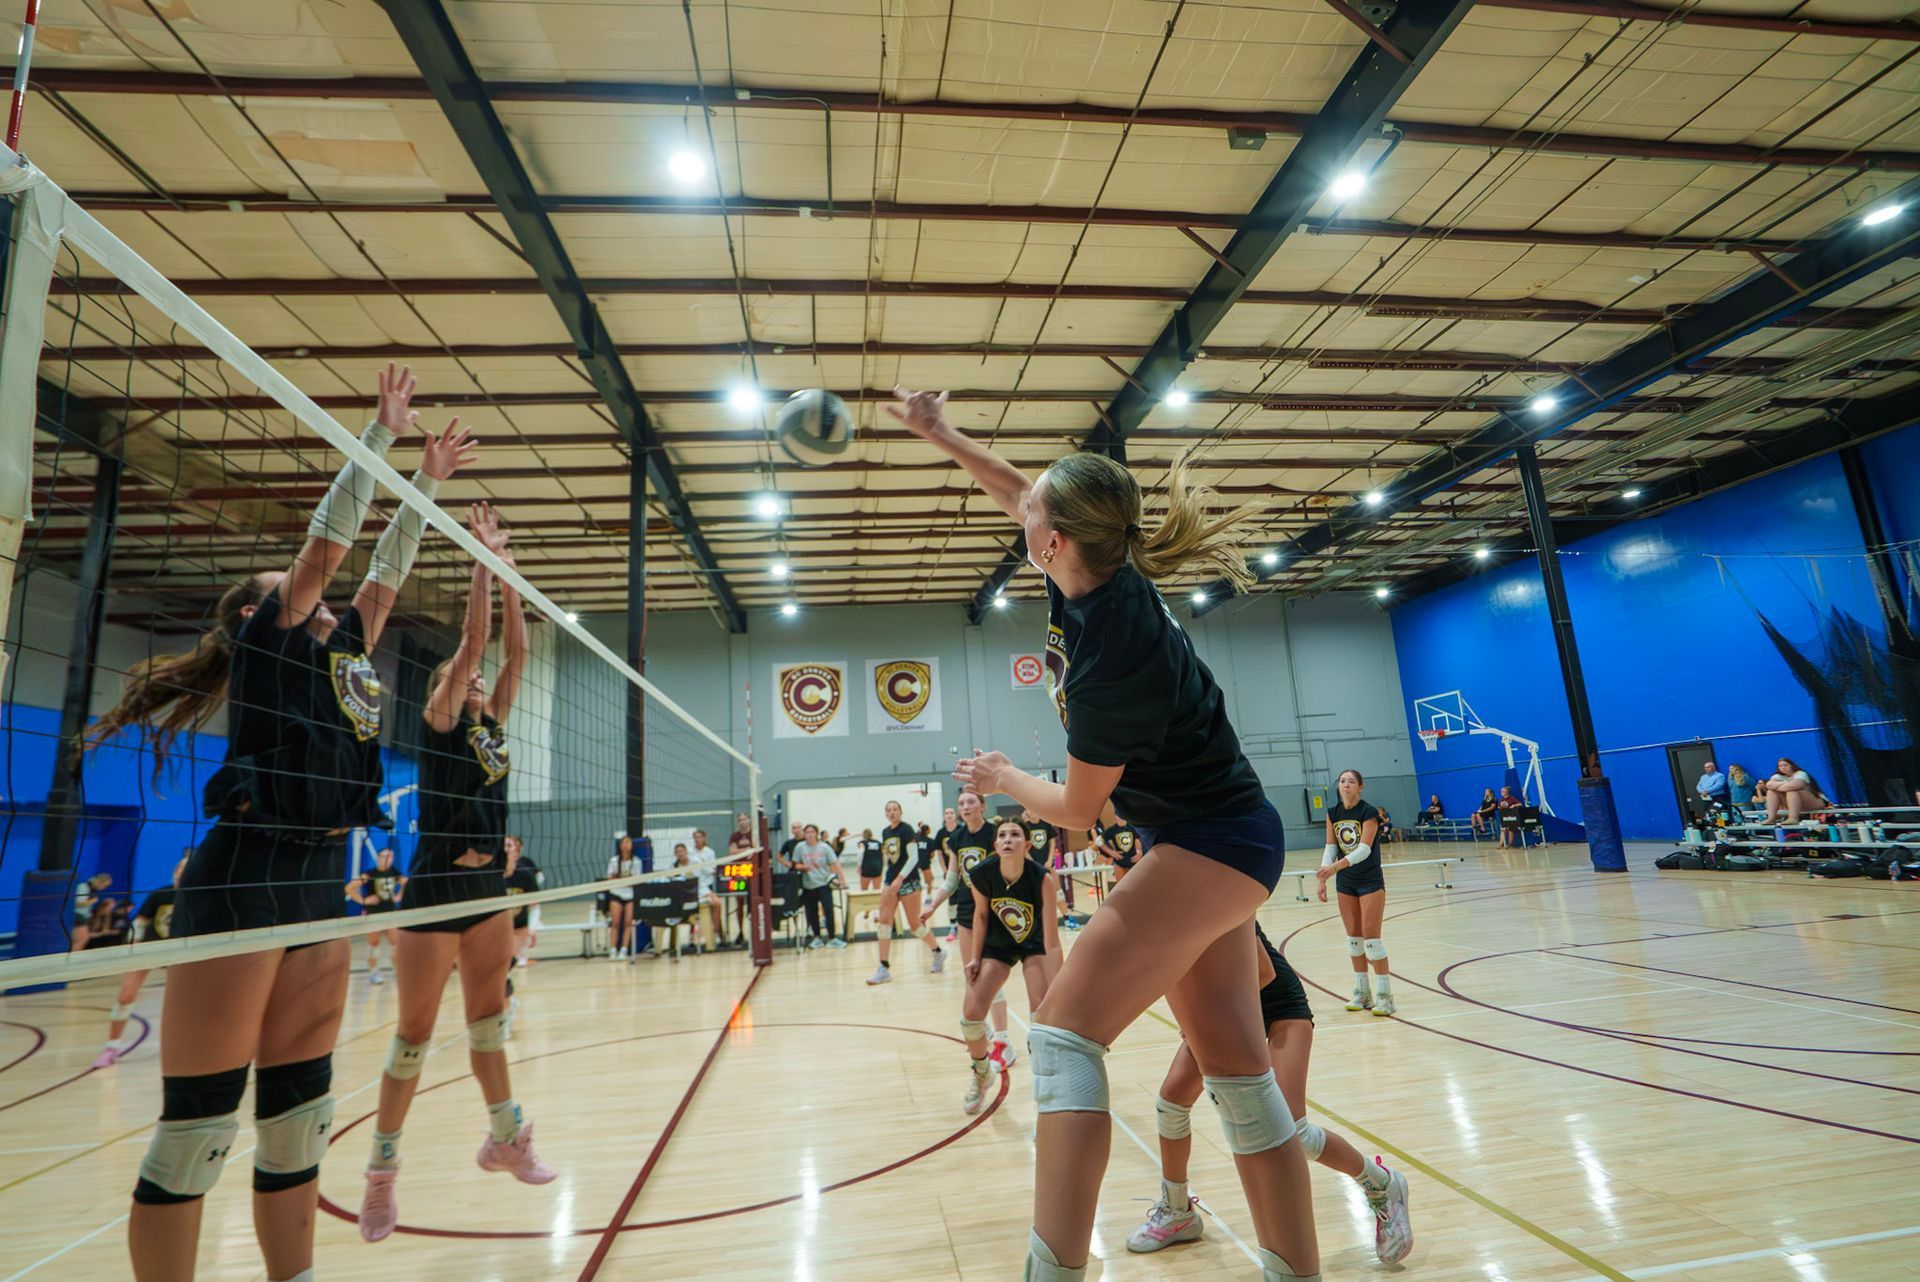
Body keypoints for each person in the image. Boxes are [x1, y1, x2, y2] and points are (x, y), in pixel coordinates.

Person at [890, 386, 1318, 1282]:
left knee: (1062, 1038)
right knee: (1239, 1077)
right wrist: (941, 433)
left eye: (1033, 510)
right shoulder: (1092, 567)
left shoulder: (1107, 656)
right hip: (1221, 837)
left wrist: (1006, 779)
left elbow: (1081, 817)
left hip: (1210, 842)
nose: (1021, 509)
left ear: (1054, 543)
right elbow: (1019, 491)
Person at [82, 364, 472, 1282]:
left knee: (300, 1121)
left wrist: (426, 485)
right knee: (197, 1137)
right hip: (246, 876)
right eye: (300, 593)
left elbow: (380, 576)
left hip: (319, 880)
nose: (329, 605)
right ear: (260, 614)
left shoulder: (341, 658)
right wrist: (376, 439)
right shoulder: (268, 644)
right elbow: (330, 552)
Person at [358, 500, 551, 1244]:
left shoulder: (493, 725)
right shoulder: (441, 723)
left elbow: (516, 654)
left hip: (486, 892)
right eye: (464, 679)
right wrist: (480, 556)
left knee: (488, 1028)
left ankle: (506, 1138)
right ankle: (382, 1173)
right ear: (445, 686)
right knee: (411, 1038)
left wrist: (509, 575)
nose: (476, 684)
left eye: (476, 682)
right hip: (433, 888)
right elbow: (473, 644)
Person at [1127, 922, 1412, 1264]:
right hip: (1226, 1007)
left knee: (1293, 1133)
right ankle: (1177, 1210)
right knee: (1171, 1103)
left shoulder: (1218, 891)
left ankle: (1380, 1183)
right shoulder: (1158, 896)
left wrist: (1210, 1022)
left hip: (1276, 1006)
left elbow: (1261, 973)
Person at [959, 817, 1062, 1113]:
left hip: (1034, 944)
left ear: (1027, 844)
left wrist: (1059, 980)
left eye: (1015, 835)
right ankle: (982, 1073)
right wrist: (975, 957)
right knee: (970, 1016)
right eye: (1002, 835)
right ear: (995, 845)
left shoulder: (1042, 877)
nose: (1007, 839)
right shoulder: (981, 873)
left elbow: (1052, 940)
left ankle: (1047, 1099)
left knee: (1041, 1017)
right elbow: (980, 916)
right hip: (997, 944)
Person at [921, 790, 1014, 1069]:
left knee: (990, 978)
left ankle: (1004, 1042)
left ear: (983, 806)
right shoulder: (957, 839)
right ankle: (982, 1029)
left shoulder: (995, 833)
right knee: (971, 975)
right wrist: (933, 906)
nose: (965, 806)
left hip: (992, 910)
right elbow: (951, 879)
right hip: (965, 911)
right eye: (961, 803)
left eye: (971, 801)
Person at [93, 856, 189, 1069]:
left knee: (185, 1003)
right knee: (125, 995)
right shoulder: (161, 894)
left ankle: (187, 1047)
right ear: (174, 872)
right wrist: (134, 947)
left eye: (188, 868)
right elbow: (140, 922)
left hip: (181, 954)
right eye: (180, 868)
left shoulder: (199, 897)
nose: (183, 872)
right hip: (150, 949)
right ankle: (112, 1048)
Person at [1315, 769, 1394, 1017]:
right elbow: (1331, 846)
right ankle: (1362, 992)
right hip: (1345, 882)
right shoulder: (1333, 813)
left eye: (1351, 781)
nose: (1346, 785)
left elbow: (1363, 850)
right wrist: (1323, 875)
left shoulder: (1368, 812)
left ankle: (1385, 997)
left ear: (1360, 786)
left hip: (1369, 880)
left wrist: (1335, 867)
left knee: (1372, 940)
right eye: (1342, 781)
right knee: (1354, 940)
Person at [866, 800, 946, 984]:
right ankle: (883, 967)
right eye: (889, 810)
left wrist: (899, 878)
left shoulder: (906, 830)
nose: (892, 812)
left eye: (895, 809)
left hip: (908, 882)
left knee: (915, 926)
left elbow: (914, 857)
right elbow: (892, 858)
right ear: (885, 814)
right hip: (890, 882)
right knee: (884, 923)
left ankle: (938, 952)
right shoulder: (885, 832)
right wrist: (890, 879)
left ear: (900, 812)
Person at [347, 846, 406, 984]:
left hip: (390, 912)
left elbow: (406, 882)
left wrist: (399, 896)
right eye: (384, 857)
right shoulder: (370, 874)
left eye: (390, 856)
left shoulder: (394, 872)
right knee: (374, 942)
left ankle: (398, 971)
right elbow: (349, 888)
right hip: (374, 913)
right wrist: (364, 900)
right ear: (378, 858)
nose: (387, 859)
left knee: (395, 941)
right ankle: (374, 972)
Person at [793, 823, 849, 948]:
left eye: (812, 831)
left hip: (824, 884)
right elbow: (795, 865)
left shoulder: (824, 847)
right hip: (808, 885)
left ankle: (832, 938)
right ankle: (816, 937)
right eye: (807, 832)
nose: (810, 834)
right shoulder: (800, 847)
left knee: (829, 910)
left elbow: (835, 863)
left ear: (816, 834)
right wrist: (804, 867)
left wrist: (842, 879)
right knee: (812, 913)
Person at [502, 836, 541, 967]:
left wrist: (532, 928)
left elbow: (535, 905)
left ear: (517, 849)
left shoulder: (525, 875)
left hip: (519, 924)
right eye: (504, 846)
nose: (506, 849)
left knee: (510, 962)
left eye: (510, 845)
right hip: (498, 925)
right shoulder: (490, 876)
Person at [606, 833, 641, 959]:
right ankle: (613, 949)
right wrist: (625, 879)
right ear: (620, 845)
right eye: (623, 843)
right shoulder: (614, 860)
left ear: (632, 845)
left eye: (628, 842)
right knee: (615, 923)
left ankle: (624, 950)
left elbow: (636, 881)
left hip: (630, 895)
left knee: (628, 923)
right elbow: (610, 878)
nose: (626, 845)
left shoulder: (636, 861)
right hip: (616, 893)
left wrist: (621, 878)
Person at [1763, 757, 1828, 822]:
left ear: (1792, 765)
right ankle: (1771, 818)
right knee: (1771, 791)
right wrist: (1785, 785)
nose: (1783, 767)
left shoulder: (1801, 774)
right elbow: (1768, 785)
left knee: (1791, 791)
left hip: (1816, 801)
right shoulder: (1778, 776)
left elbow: (1793, 786)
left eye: (1785, 765)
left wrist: (1777, 786)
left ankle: (1793, 818)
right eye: (1780, 766)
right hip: (1796, 803)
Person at [689, 827, 724, 947]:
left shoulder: (710, 852)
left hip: (707, 885)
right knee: (691, 908)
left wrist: (701, 865)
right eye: (695, 837)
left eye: (699, 837)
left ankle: (717, 934)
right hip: (694, 885)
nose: (697, 839)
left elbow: (712, 870)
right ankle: (692, 937)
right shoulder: (690, 852)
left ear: (704, 838)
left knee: (716, 905)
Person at [69, 871, 113, 951]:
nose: (103, 888)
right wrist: (92, 901)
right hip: (77, 915)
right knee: (82, 938)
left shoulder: (92, 890)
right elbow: (77, 903)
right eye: (104, 885)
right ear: (100, 882)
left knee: (82, 938)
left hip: (83, 917)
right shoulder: (83, 887)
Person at [1094, 811, 1141, 884]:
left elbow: (1140, 840)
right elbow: (1098, 841)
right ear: (1115, 816)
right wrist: (1111, 852)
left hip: (1133, 862)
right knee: (1121, 888)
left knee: (1135, 886)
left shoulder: (1132, 827)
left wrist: (1140, 852)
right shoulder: (1112, 829)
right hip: (1120, 863)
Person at [854, 826, 883, 890]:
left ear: (863, 835)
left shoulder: (862, 843)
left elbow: (860, 852)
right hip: (877, 868)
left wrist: (859, 865)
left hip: (866, 868)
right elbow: (883, 854)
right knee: (877, 890)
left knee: (864, 890)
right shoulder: (878, 843)